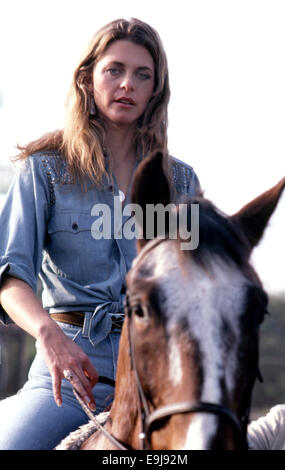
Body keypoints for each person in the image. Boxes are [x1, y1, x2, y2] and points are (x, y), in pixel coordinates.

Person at [0, 18, 200, 449]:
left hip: (157, 385)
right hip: (65, 382)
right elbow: (11, 278)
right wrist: (49, 336)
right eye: (115, 70)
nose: (127, 84)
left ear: (155, 92)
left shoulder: (180, 185)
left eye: (142, 75)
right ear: (88, 79)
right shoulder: (46, 170)